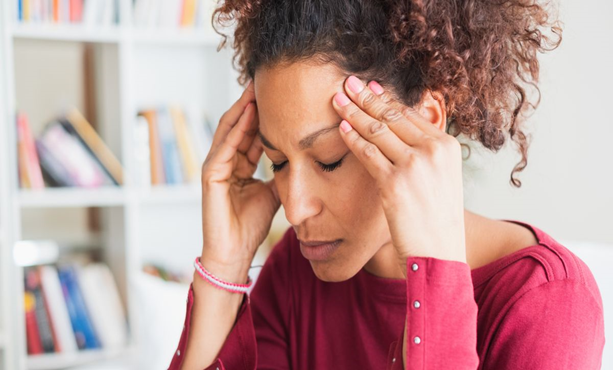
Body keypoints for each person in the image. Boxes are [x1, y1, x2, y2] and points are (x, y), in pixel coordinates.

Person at [169, 0, 605, 369]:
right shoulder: (295, 274)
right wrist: (223, 271)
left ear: (425, 123)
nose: (295, 208)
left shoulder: (545, 302)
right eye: (278, 162)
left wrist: (434, 272)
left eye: (329, 160)